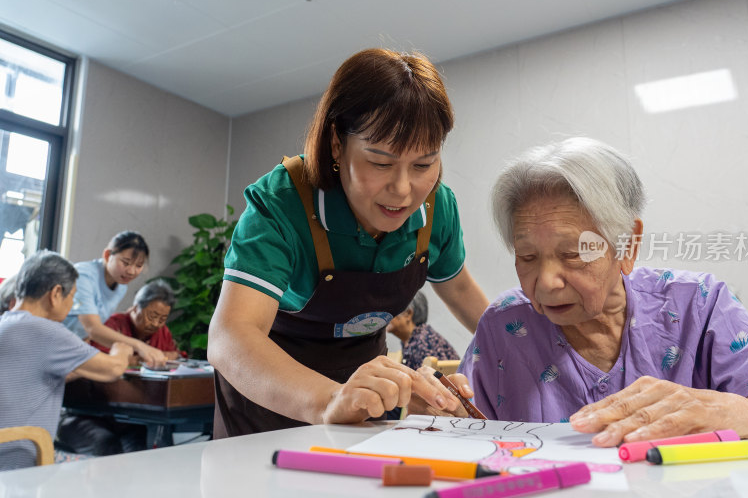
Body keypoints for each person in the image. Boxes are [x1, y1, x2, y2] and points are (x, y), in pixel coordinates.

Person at [209, 48, 489, 436]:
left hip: (360, 409)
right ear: (337, 144)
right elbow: (231, 337)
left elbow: (459, 288)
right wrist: (330, 401)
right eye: (381, 163)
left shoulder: (437, 208)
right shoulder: (283, 204)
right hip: (266, 402)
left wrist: (534, 349)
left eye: (424, 165)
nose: (404, 191)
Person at [457, 137, 748, 446]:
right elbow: (459, 436)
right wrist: (433, 410)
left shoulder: (700, 303)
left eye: (572, 253)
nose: (546, 282)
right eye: (527, 256)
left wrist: (735, 413)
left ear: (628, 245)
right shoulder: (503, 327)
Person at [0, 251, 133, 471]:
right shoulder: (47, 331)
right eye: (72, 297)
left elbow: (33, 375)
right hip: (24, 458)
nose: (72, 305)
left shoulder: (7, 324)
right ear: (55, 293)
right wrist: (122, 349)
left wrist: (81, 364)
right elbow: (113, 370)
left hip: (6, 450)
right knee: (107, 468)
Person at [62, 231, 167, 367]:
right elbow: (92, 328)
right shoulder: (83, 275)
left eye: (138, 266)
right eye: (126, 263)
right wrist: (139, 346)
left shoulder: (121, 285)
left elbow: (89, 332)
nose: (131, 271)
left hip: (72, 349)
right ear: (107, 255)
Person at [91, 279, 181, 361]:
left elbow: (175, 355)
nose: (156, 324)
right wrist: (145, 359)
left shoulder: (163, 332)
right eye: (152, 317)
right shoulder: (111, 325)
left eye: (162, 319)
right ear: (135, 309)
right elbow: (100, 360)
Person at [387, 291, 460, 370]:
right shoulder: (415, 339)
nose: (384, 316)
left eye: (389, 309)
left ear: (408, 314)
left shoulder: (424, 343)